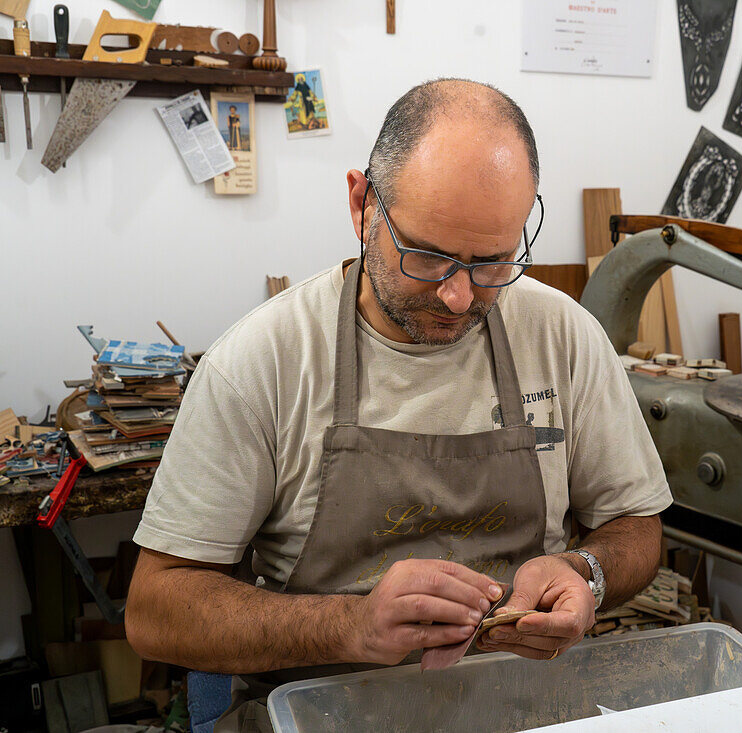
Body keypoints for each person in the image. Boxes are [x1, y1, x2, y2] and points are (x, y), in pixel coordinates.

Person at [125, 78, 672, 732]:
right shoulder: (261, 361)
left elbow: (637, 528)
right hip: (324, 710)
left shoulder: (561, 334)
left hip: (524, 708)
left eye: (495, 263)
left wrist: (587, 571)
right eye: (428, 257)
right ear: (361, 205)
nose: (460, 297)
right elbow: (156, 609)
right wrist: (349, 626)